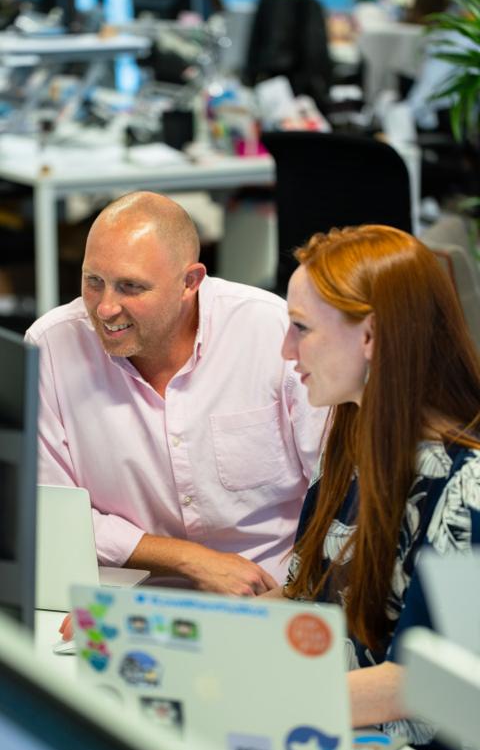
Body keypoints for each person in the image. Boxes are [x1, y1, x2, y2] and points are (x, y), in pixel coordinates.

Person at [26, 190, 325, 609]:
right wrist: (190, 560)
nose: (105, 308)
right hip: (128, 599)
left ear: (190, 282)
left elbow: (338, 491)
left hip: (274, 593)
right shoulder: (51, 346)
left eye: (131, 287)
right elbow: (46, 509)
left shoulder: (270, 330)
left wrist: (295, 595)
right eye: (93, 281)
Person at [265, 224, 480, 750]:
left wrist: (250, 698)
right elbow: (302, 600)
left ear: (370, 337)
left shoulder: (469, 485)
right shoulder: (349, 442)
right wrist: (164, 635)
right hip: (348, 741)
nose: (287, 350)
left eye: (301, 328)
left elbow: (424, 680)